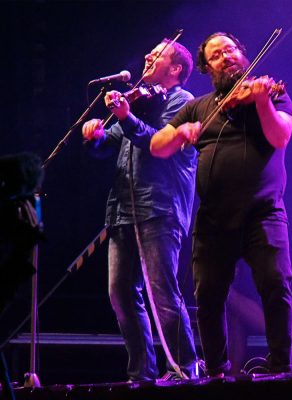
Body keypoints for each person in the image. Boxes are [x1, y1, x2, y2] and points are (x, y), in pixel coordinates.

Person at [150, 32, 292, 376]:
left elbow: (281, 136)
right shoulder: (198, 107)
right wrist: (180, 134)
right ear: (206, 67)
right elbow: (158, 146)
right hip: (214, 217)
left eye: (230, 49)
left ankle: (281, 369)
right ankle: (216, 372)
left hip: (264, 211)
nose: (226, 57)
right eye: (216, 55)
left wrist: (261, 103)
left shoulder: (271, 94)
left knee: (276, 285)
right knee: (209, 297)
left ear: (242, 55)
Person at [81, 39, 199, 381]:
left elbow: (156, 140)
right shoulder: (141, 102)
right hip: (121, 209)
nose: (147, 55)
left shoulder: (182, 102)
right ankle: (141, 374)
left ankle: (183, 369)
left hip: (159, 208)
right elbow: (110, 144)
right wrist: (97, 135)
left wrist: (127, 116)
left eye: (157, 54)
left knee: (163, 294)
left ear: (175, 68)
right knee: (119, 293)